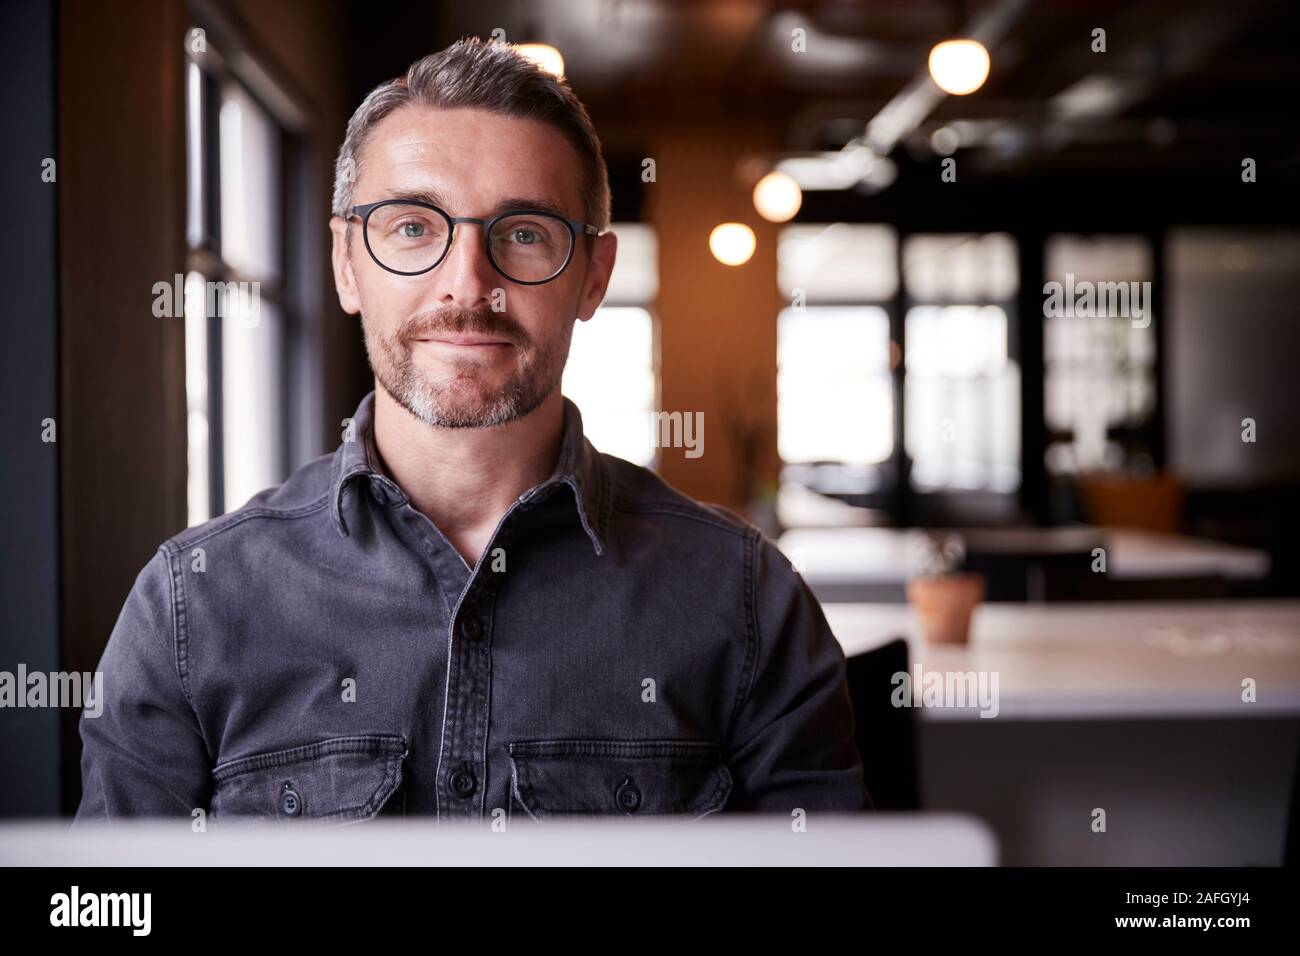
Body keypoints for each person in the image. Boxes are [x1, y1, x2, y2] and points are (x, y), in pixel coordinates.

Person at [75, 37, 869, 824]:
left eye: (524, 233)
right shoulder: (192, 605)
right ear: (348, 263)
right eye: (415, 227)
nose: (468, 284)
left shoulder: (745, 601)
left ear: (593, 276)